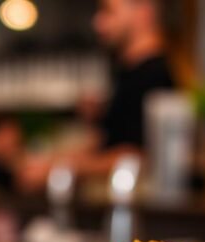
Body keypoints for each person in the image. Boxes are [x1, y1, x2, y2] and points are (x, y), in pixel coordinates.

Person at [23, 0, 175, 191]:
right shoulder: (129, 73)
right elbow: (116, 141)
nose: (98, 22)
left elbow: (140, 157)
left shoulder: (154, 75)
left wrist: (58, 168)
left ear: (143, 12)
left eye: (108, 12)